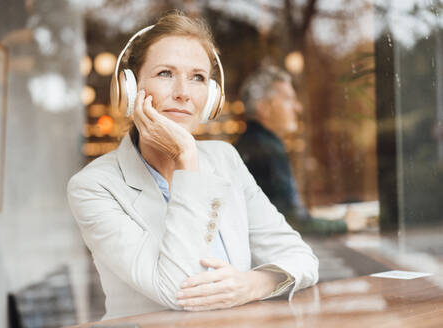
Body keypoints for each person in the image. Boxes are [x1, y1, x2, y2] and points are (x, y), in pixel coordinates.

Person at [67, 11, 318, 320]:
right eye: (165, 73)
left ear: (211, 96)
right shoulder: (93, 186)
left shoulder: (225, 159)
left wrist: (252, 284)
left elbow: (302, 258)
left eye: (197, 77)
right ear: (130, 89)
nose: (183, 93)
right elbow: (176, 290)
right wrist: (186, 157)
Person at [235, 65, 347, 235]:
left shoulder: (247, 145)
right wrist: (344, 224)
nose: (298, 108)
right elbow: (294, 223)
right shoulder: (267, 151)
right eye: (288, 99)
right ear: (263, 107)